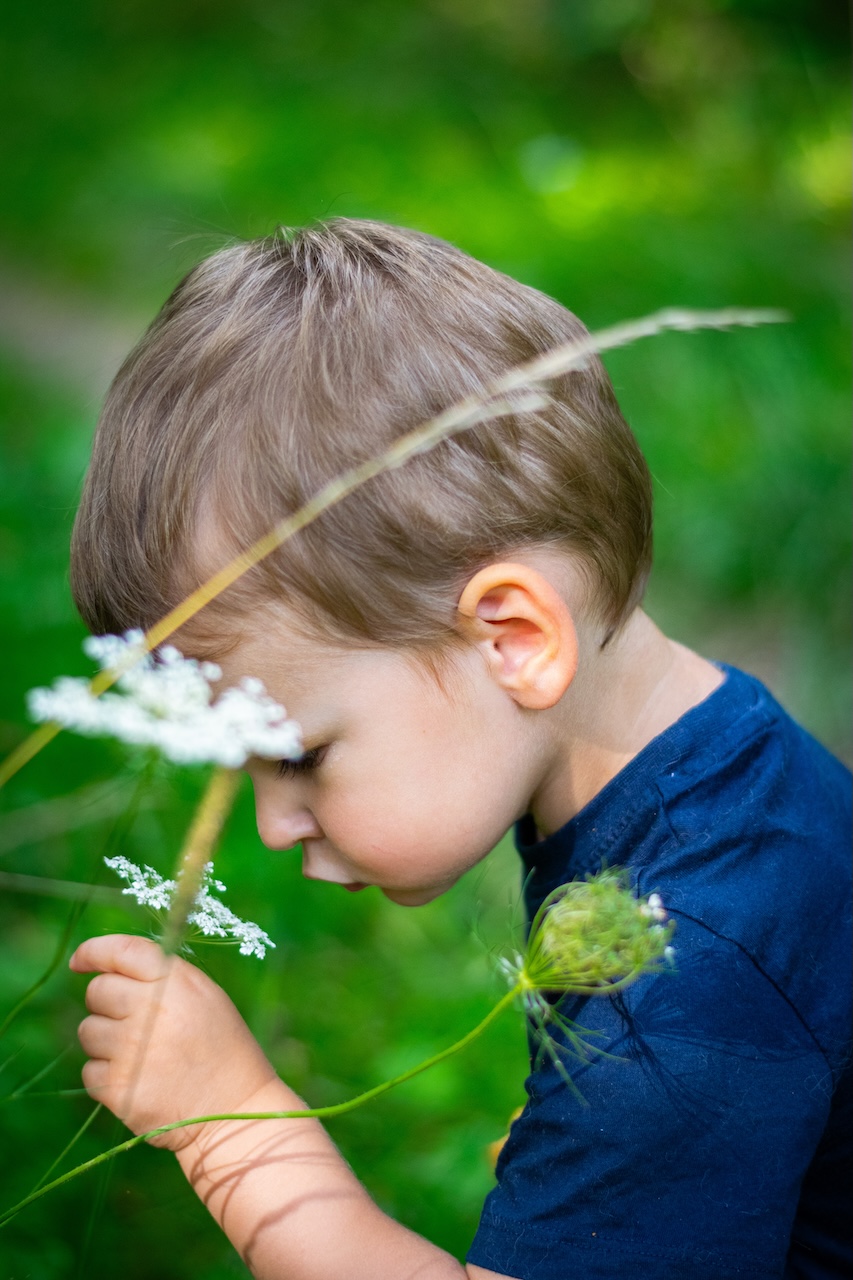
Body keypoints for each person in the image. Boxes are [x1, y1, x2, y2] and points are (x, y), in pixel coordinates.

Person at [67, 219, 851, 1280]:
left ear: (512, 638)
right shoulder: (725, 775)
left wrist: (234, 1128)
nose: (270, 820)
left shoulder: (692, 969)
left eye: (297, 754)